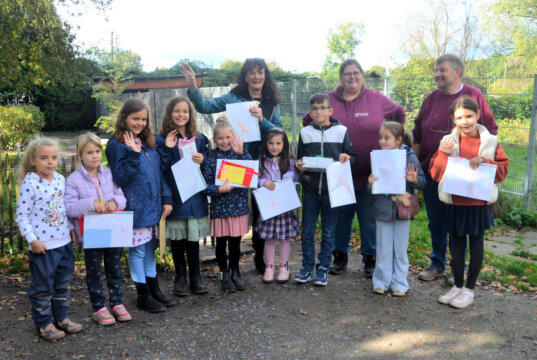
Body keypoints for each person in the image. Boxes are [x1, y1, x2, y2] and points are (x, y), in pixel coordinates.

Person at [303, 59, 405, 278]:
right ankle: (339, 257)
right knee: (341, 217)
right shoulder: (328, 100)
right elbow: (307, 120)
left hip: (370, 173)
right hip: (338, 174)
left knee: (368, 218)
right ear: (340, 77)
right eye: (347, 73)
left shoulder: (376, 98)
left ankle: (370, 258)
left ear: (362, 75)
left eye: (356, 73)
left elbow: (398, 113)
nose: (352, 77)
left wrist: (396, 140)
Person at [181, 58, 282, 274]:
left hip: (262, 162)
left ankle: (259, 256)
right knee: (233, 207)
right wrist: (192, 85)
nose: (257, 76)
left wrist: (263, 120)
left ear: (265, 75)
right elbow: (204, 106)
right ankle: (229, 266)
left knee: (262, 210)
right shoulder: (234, 97)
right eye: (252, 73)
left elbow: (279, 132)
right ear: (245, 76)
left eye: (260, 72)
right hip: (236, 163)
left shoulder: (271, 102)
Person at [412, 54, 498, 284]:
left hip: (464, 176)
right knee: (436, 221)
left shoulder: (473, 96)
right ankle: (437, 263)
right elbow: (418, 132)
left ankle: (456, 269)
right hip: (435, 172)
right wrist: (414, 164)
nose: (437, 74)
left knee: (458, 224)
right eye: (436, 70)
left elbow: (490, 131)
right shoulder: (430, 99)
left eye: (442, 70)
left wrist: (484, 162)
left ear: (457, 72)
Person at [431, 96, 508, 308]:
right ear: (453, 120)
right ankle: (457, 285)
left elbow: (502, 172)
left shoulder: (490, 142)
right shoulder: (448, 142)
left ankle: (470, 289)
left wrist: (486, 162)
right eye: (459, 117)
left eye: (469, 116)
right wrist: (444, 154)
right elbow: (436, 174)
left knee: (476, 246)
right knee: (456, 246)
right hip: (454, 204)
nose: (465, 121)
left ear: (477, 116)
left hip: (477, 205)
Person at [105, 98, 176, 313]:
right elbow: (120, 178)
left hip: (152, 207)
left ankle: (154, 289)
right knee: (136, 252)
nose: (140, 123)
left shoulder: (147, 142)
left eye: (143, 119)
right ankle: (142, 295)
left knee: (148, 251)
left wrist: (166, 198)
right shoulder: (116, 145)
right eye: (135, 118)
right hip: (135, 209)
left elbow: (158, 173)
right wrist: (134, 154)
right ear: (124, 118)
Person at [15, 136, 83, 342]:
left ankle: (62, 318)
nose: (50, 162)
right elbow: (22, 215)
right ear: (33, 160)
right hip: (43, 247)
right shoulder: (30, 183)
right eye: (44, 158)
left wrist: (71, 228)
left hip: (63, 244)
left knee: (63, 284)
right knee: (44, 287)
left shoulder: (61, 180)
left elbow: (63, 209)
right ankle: (44, 324)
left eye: (53, 157)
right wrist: (32, 240)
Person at [65, 133, 131, 326]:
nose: (94, 156)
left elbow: (121, 196)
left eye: (97, 151)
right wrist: (91, 204)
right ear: (80, 155)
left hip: (112, 228)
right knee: (94, 270)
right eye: (89, 152)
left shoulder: (109, 173)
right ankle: (99, 307)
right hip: (92, 231)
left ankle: (117, 302)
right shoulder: (73, 180)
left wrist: (113, 202)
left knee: (114, 266)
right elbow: (69, 207)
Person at [295, 93, 356, 286]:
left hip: (333, 192)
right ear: (310, 112)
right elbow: (300, 159)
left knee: (329, 232)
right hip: (311, 191)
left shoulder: (341, 130)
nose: (318, 111)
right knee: (307, 232)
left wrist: (347, 158)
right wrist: (300, 165)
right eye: (314, 108)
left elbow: (351, 157)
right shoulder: (305, 133)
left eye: (322, 107)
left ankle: (322, 268)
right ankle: (306, 267)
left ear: (330, 110)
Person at [156, 96, 209, 296]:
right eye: (177, 111)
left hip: (195, 196)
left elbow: (208, 167)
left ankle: (196, 276)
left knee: (193, 240)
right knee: (178, 241)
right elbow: (160, 169)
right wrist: (168, 150)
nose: (181, 115)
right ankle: (180, 277)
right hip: (176, 197)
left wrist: (203, 160)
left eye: (185, 111)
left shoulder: (200, 138)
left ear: (190, 114)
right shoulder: (162, 139)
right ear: (170, 114)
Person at [368, 122, 426, 296]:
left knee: (400, 249)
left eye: (387, 138)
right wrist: (370, 184)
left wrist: (414, 180)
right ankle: (381, 282)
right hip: (383, 208)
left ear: (399, 139)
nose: (382, 141)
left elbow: (423, 182)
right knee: (383, 248)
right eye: (381, 138)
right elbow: (371, 186)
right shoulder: (377, 157)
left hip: (403, 209)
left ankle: (399, 283)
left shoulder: (409, 156)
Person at [202, 117, 251, 292]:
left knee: (236, 244)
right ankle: (223, 273)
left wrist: (241, 153)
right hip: (220, 209)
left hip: (238, 207)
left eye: (228, 137)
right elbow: (205, 186)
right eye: (220, 138)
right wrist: (218, 190)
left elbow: (251, 176)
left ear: (233, 137)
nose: (224, 141)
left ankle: (235, 271)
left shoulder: (240, 154)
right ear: (215, 140)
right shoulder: (210, 159)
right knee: (221, 244)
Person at [255, 128, 300, 284]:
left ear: (284, 144)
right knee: (269, 239)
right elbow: (256, 178)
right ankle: (269, 267)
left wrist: (288, 176)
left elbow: (295, 175)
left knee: (284, 239)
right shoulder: (261, 160)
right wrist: (262, 182)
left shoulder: (289, 160)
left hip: (284, 208)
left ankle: (284, 267)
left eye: (278, 143)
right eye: (271, 143)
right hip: (268, 208)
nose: (274, 146)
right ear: (266, 144)